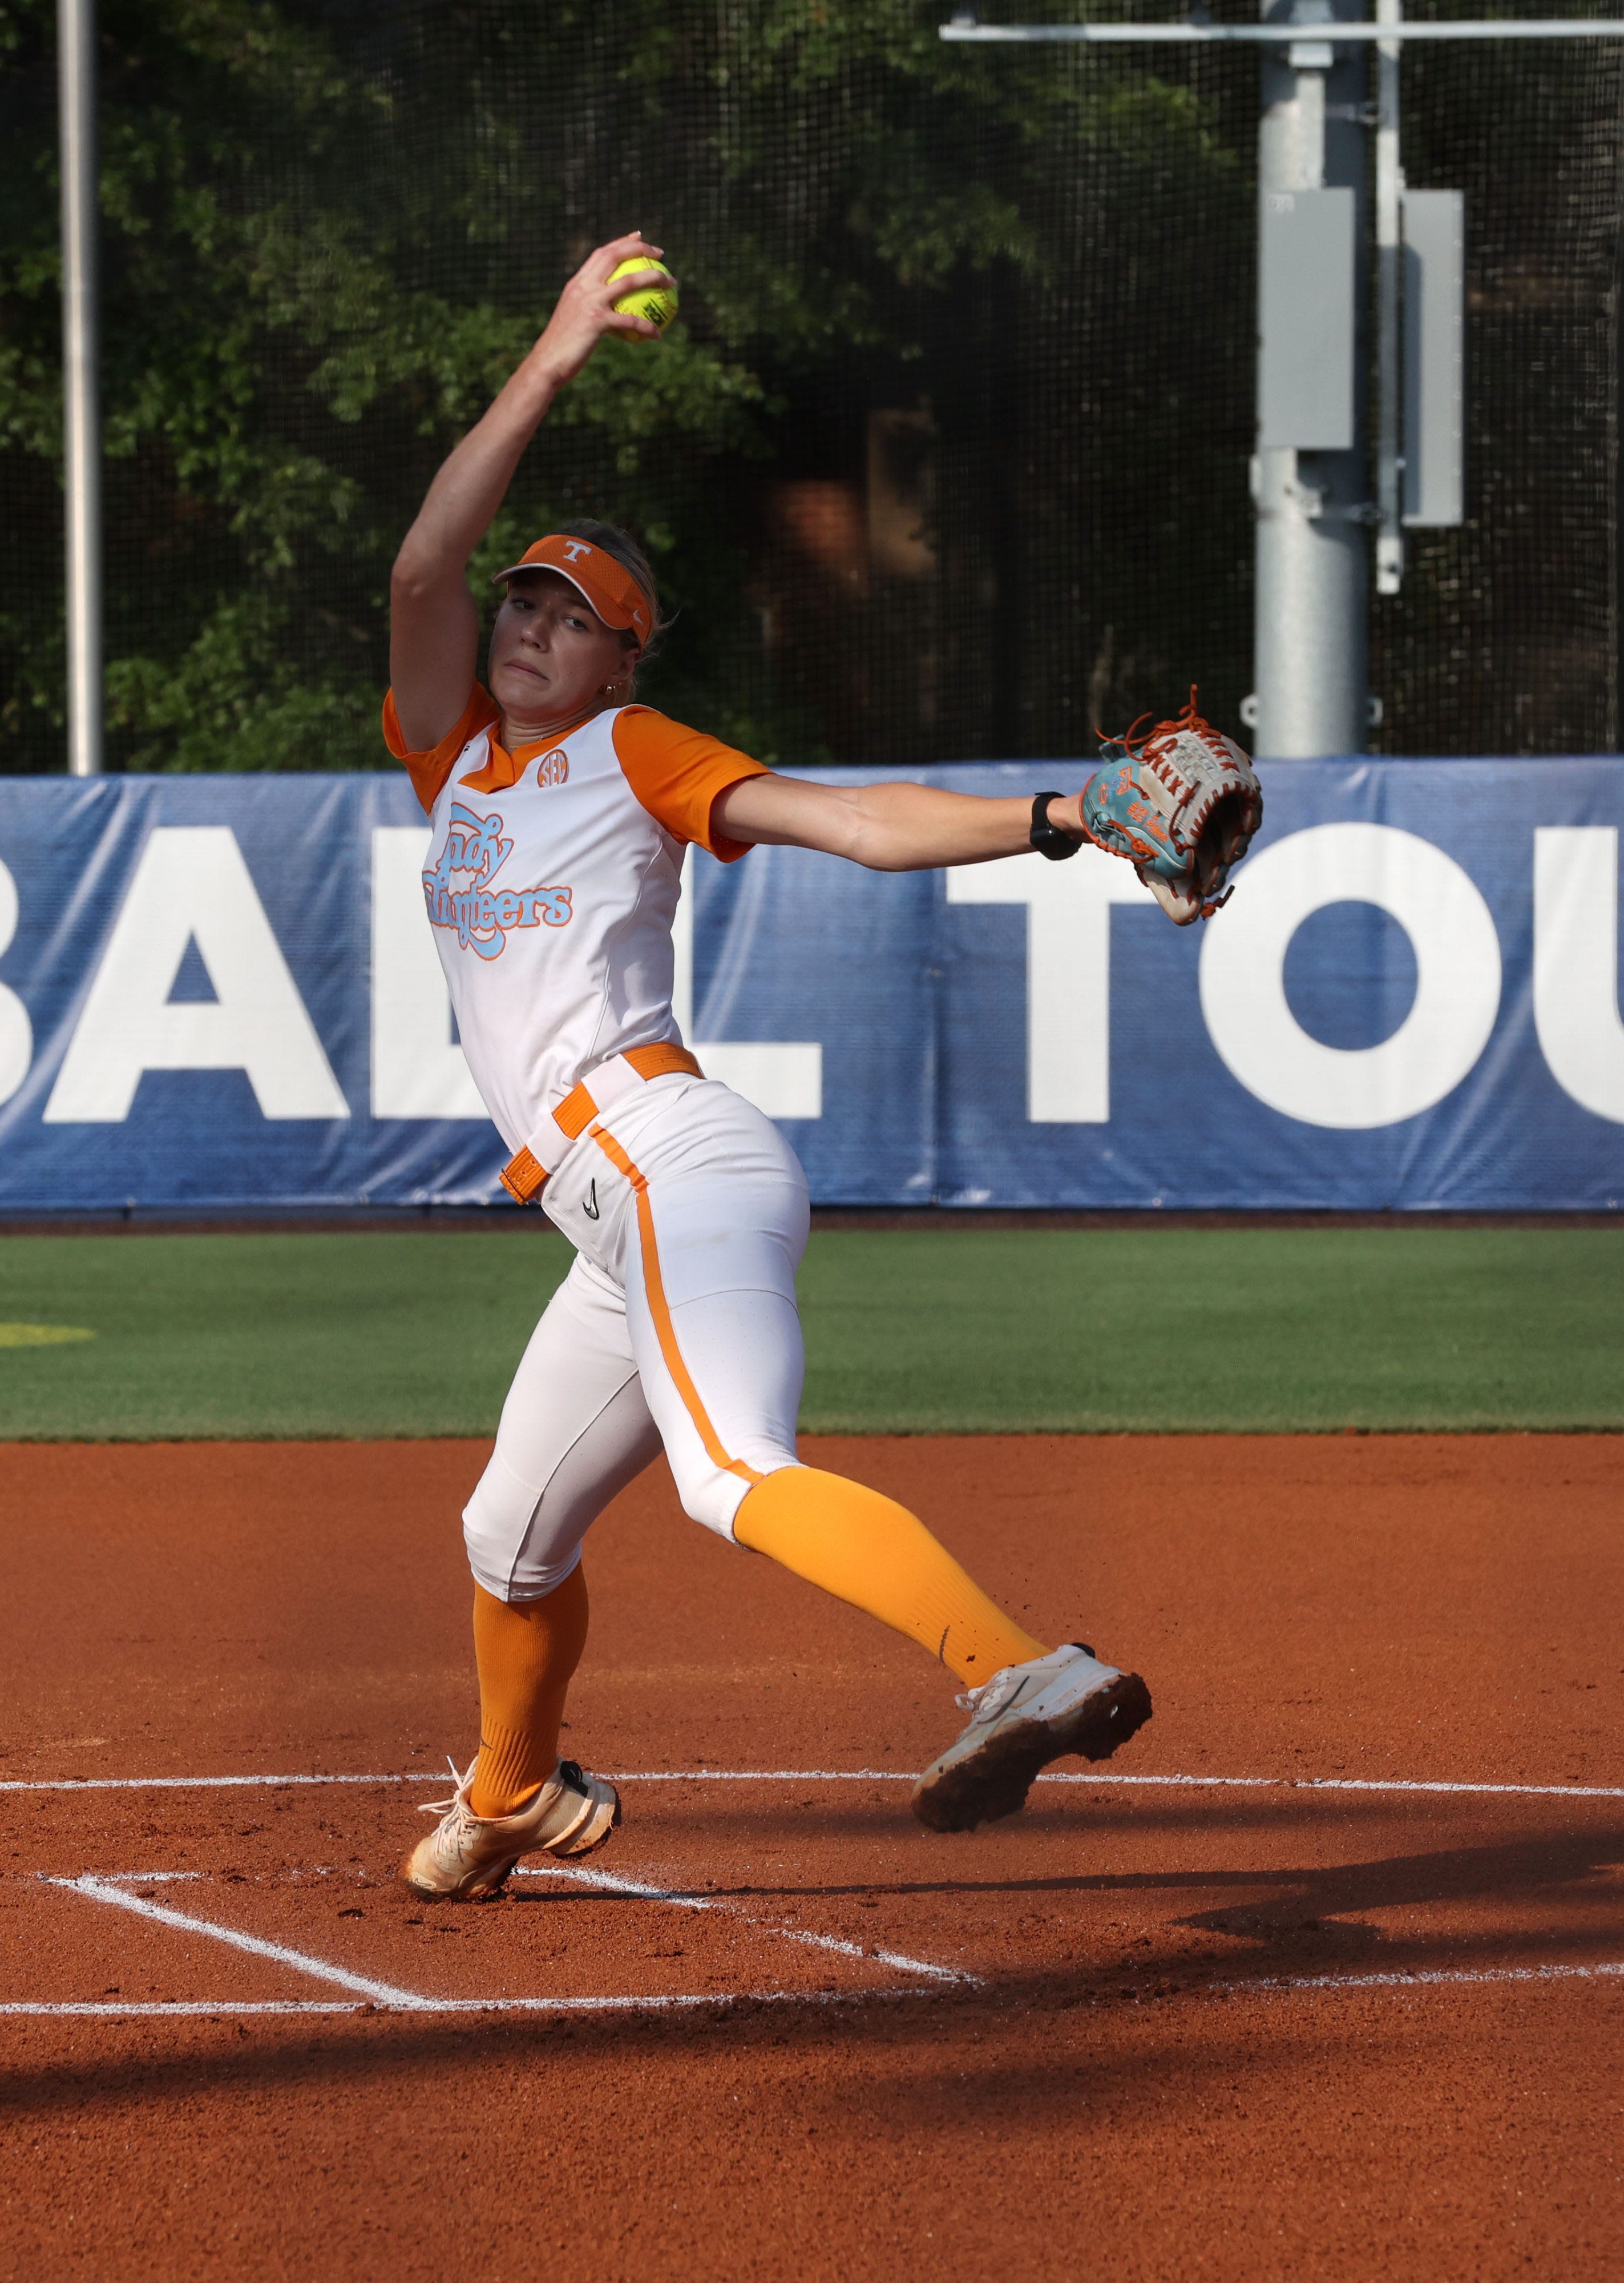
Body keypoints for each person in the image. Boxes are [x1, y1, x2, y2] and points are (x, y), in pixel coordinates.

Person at [387, 232, 1151, 1902]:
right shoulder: (453, 757)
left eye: (572, 612)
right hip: (615, 1210)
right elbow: (421, 567)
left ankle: (1012, 1663)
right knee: (508, 1540)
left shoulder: (630, 753)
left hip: (664, 1156)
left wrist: (1065, 817)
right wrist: (554, 356)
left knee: (732, 1472)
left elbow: (856, 823)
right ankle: (511, 1794)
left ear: (621, 658)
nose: (528, 620)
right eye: (526, 593)